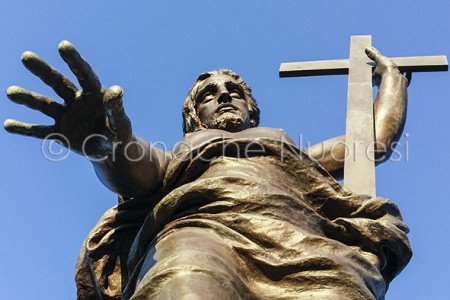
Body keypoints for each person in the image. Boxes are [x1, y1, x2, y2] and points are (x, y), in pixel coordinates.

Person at [4, 41, 411, 299]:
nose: (225, 96)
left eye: (234, 91)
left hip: (306, 243)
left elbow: (369, 143)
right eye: (209, 95)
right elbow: (140, 172)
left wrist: (393, 82)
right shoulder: (187, 149)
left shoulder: (286, 146)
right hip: (201, 231)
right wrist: (105, 146)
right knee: (186, 282)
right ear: (194, 115)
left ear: (252, 108)